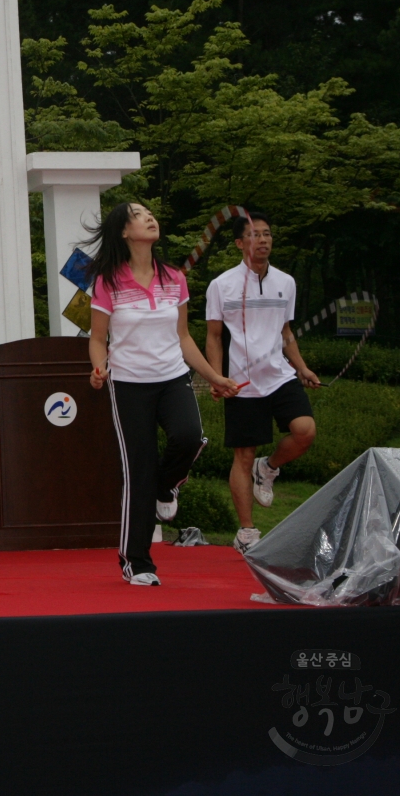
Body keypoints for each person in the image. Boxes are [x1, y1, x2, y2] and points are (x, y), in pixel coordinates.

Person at [85, 202, 236, 586]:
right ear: (123, 231)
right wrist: (99, 368)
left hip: (173, 377)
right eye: (138, 214)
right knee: (138, 471)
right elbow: (98, 338)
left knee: (189, 436)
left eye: (151, 213)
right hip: (129, 385)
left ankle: (166, 486)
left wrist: (215, 377)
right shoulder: (107, 281)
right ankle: (136, 562)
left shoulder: (174, 278)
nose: (149, 217)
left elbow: (183, 337)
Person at [205, 211, 321, 554]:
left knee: (305, 431)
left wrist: (302, 368)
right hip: (242, 382)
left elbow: (285, 333)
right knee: (243, 454)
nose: (264, 240)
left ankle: (268, 468)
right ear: (241, 243)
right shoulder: (221, 285)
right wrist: (216, 376)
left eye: (268, 234)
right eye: (255, 235)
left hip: (279, 376)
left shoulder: (286, 282)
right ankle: (246, 531)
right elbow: (212, 336)